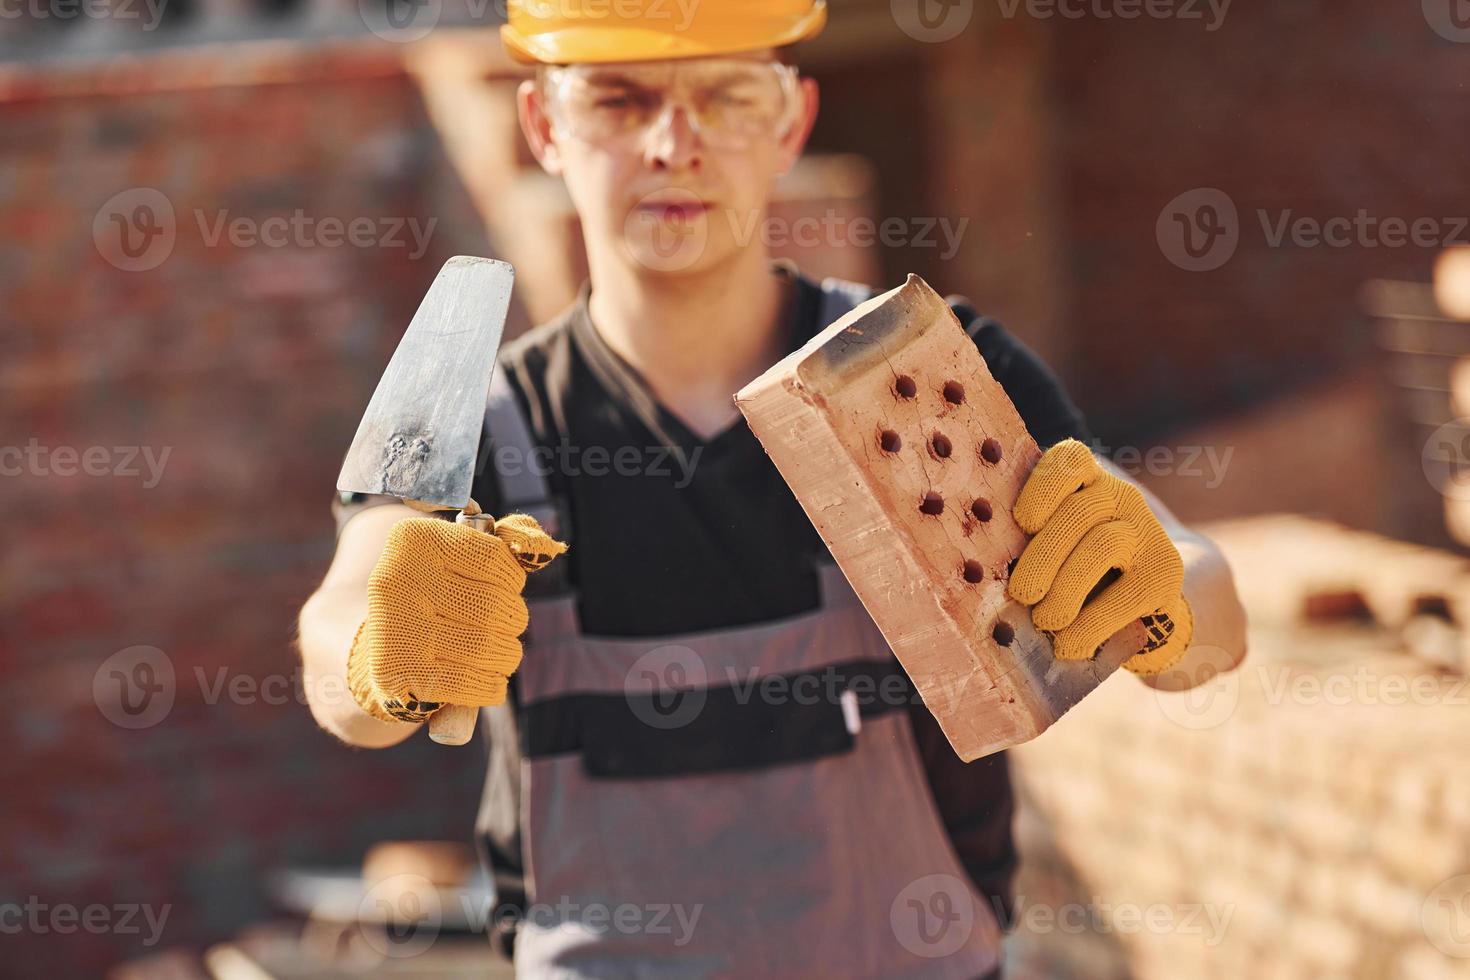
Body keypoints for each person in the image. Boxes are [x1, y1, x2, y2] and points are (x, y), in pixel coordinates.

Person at [298, 1, 1249, 975]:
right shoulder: (478, 425)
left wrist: (1163, 598)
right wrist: (378, 650)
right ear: (544, 126)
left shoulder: (927, 374)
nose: (674, 144)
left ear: (790, 122)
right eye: (618, 101)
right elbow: (338, 641)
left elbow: (1209, 616)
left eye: (726, 96)